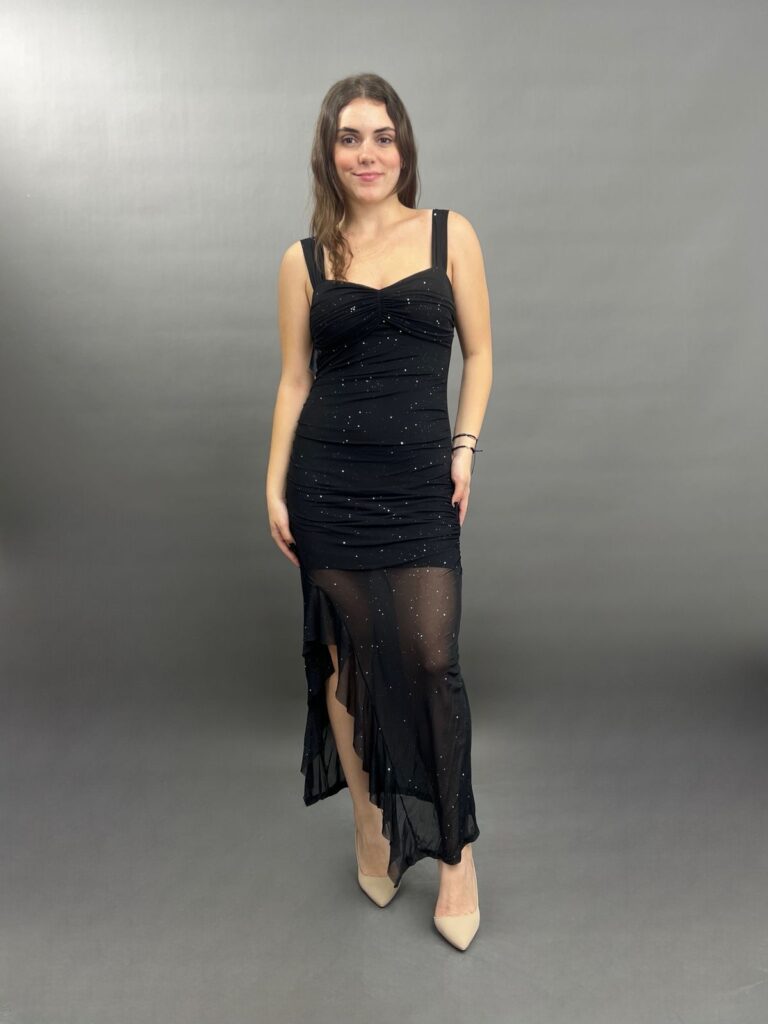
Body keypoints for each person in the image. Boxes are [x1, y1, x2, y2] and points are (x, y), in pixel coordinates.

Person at [266, 73, 493, 951]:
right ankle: (369, 823)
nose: (368, 154)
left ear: (405, 147)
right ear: (329, 153)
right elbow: (294, 380)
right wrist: (273, 483)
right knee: (344, 659)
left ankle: (455, 854)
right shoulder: (303, 260)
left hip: (419, 482)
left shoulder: (449, 234)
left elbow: (481, 354)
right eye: (350, 137)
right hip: (328, 480)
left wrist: (464, 446)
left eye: (383, 136)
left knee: (432, 658)